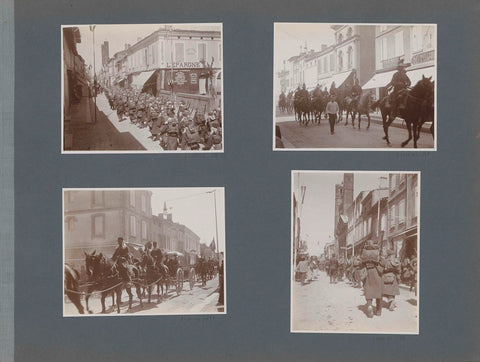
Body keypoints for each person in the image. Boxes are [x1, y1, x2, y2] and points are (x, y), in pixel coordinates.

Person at [361, 240, 383, 318]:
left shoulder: (364, 252)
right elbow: (383, 263)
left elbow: (361, 263)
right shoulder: (377, 251)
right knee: (378, 291)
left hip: (368, 272)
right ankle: (378, 311)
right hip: (377, 273)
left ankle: (369, 305)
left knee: (368, 290)